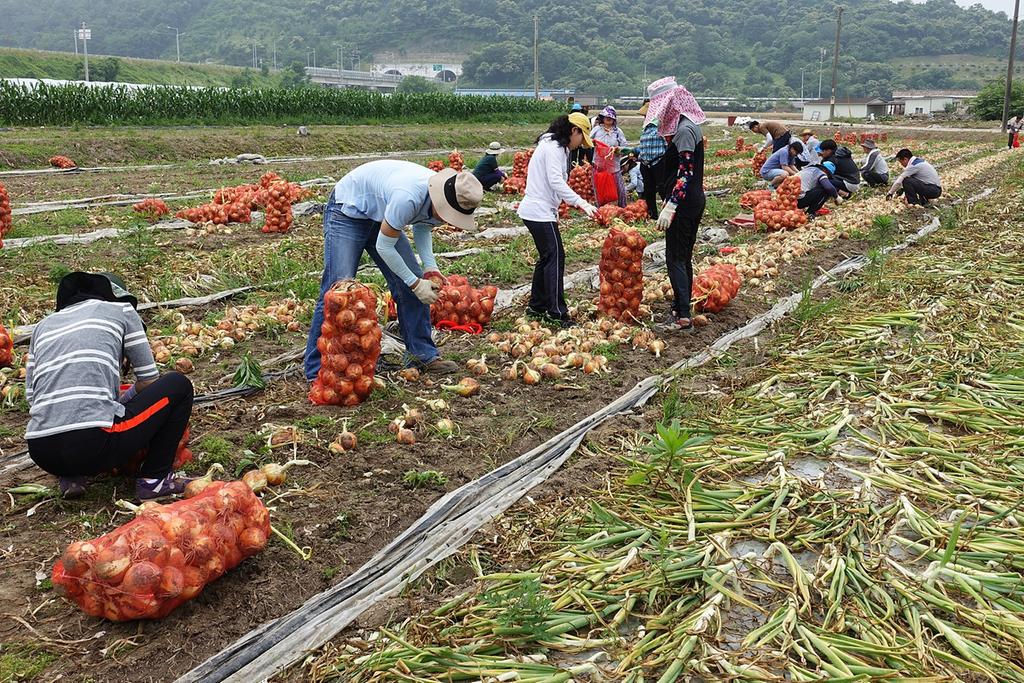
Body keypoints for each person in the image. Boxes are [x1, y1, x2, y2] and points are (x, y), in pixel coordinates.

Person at [304, 160, 483, 379]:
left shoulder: (444, 195)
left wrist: (429, 269)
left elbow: (423, 226)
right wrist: (416, 284)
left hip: (383, 215)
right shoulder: (408, 196)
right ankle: (317, 369)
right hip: (348, 211)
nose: (447, 219)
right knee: (338, 292)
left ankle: (422, 355)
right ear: (441, 200)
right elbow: (384, 246)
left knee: (412, 282)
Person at [25, 272, 194, 500]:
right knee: (178, 385)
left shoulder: (41, 327)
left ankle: (71, 476)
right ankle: (154, 480)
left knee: (71, 424)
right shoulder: (121, 311)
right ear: (113, 296)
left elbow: (32, 399)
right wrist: (128, 398)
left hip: (41, 451)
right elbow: (149, 380)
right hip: (94, 444)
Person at [518, 113, 598, 327]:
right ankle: (556, 312)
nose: (581, 143)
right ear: (574, 131)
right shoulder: (554, 148)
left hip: (538, 210)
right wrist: (583, 203)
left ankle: (536, 305)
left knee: (547, 257)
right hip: (538, 211)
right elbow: (555, 181)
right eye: (582, 137)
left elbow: (553, 182)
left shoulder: (553, 145)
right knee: (555, 257)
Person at [647, 77, 707, 333]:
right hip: (693, 201)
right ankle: (680, 305)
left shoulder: (683, 131)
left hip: (684, 204)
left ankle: (682, 316)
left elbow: (686, 173)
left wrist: (671, 205)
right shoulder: (690, 126)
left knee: (675, 258)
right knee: (683, 257)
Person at [590, 106, 628, 207]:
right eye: (606, 116)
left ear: (614, 119)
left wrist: (617, 149)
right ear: (602, 117)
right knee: (600, 190)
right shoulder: (597, 129)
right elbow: (587, 142)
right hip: (599, 165)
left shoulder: (618, 131)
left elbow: (625, 147)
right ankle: (601, 211)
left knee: (619, 190)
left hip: (613, 166)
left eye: (611, 117)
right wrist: (593, 143)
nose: (608, 119)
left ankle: (622, 210)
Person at [637, 107, 671, 219]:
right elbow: (643, 146)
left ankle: (668, 213)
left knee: (662, 188)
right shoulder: (645, 129)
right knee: (649, 190)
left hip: (658, 161)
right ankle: (653, 215)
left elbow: (667, 145)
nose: (644, 118)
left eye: (645, 116)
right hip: (645, 163)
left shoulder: (661, 128)